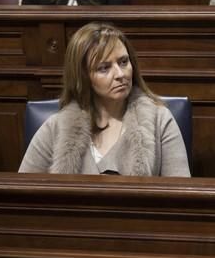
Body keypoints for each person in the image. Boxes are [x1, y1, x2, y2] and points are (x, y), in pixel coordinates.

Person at [19, 22, 190, 177]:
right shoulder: (56, 127)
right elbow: (24, 195)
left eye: (123, 62)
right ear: (83, 77)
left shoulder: (160, 120)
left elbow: (181, 199)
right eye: (104, 68)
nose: (120, 74)